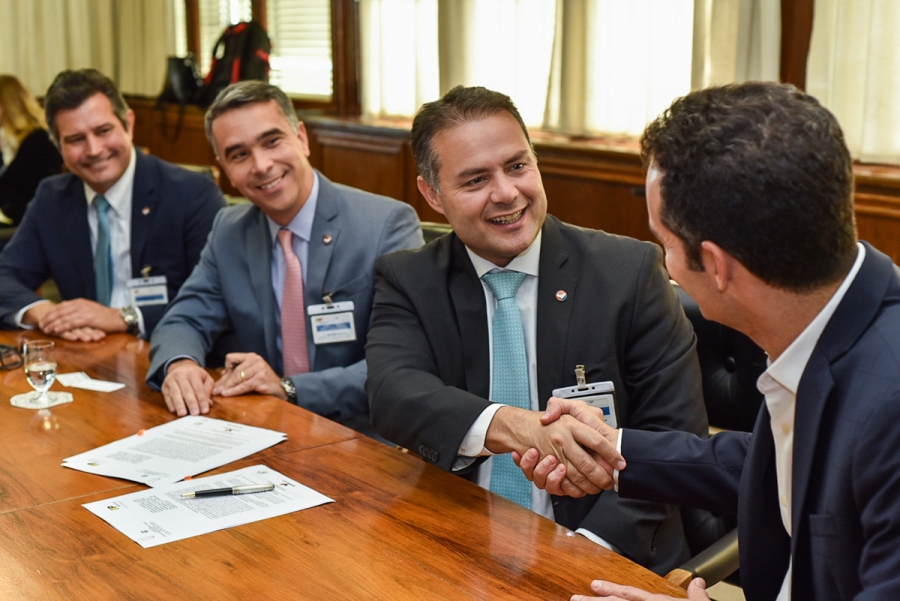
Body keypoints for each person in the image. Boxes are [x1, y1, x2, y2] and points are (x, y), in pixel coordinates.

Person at [520, 83, 900, 601]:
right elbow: (781, 464)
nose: (665, 265)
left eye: (665, 244)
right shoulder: (825, 319)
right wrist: (613, 450)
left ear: (717, 265)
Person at [365, 85, 708, 574]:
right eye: (476, 179)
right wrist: (515, 426)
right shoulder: (408, 278)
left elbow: (674, 441)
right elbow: (394, 393)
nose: (506, 193)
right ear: (432, 195)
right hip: (456, 545)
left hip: (604, 549)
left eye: (517, 166)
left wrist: (580, 551)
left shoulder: (627, 272)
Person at [147, 81, 423, 435]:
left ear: (302, 138)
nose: (261, 165)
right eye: (239, 154)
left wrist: (289, 389)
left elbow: (399, 366)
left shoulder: (386, 224)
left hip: (363, 436)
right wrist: (180, 364)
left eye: (271, 141)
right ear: (224, 167)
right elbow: (183, 319)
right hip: (266, 430)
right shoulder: (229, 230)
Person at [0, 69, 225, 342]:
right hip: (87, 354)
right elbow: (5, 276)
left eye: (103, 131)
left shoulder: (191, 194)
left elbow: (213, 299)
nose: (94, 150)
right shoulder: (53, 198)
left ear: (129, 124)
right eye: (75, 139)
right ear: (57, 145)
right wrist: (45, 312)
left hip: (171, 354)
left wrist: (122, 317)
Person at [0, 74, 63, 227]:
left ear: (5, 105)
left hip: (26, 224)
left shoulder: (39, 141)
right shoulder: (8, 140)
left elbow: (22, 194)